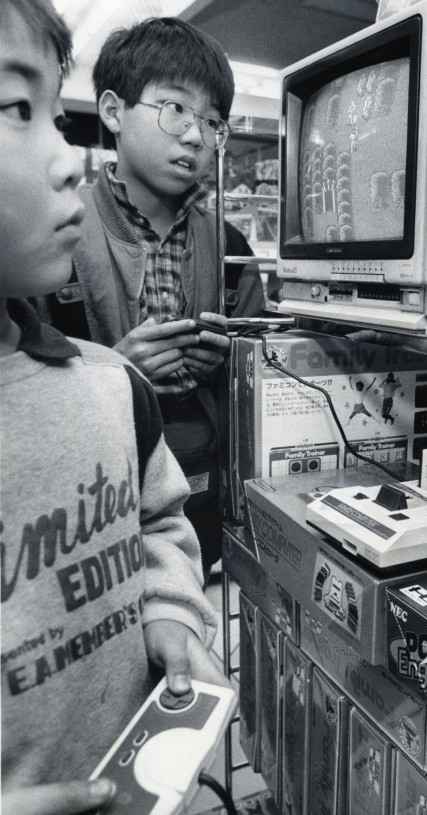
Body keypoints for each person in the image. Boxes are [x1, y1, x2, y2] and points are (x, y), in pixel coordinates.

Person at [0, 2, 229, 815]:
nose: (64, 156)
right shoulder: (77, 279)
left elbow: (153, 518)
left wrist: (169, 611)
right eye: (16, 113)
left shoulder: (99, 389)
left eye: (213, 122)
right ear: (120, 110)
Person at [36, 17, 266, 580]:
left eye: (213, 121)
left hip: (203, 488)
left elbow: (268, 372)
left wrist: (229, 362)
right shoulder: (52, 236)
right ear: (114, 111)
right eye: (175, 109)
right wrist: (116, 369)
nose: (194, 135)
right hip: (91, 499)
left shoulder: (231, 247)